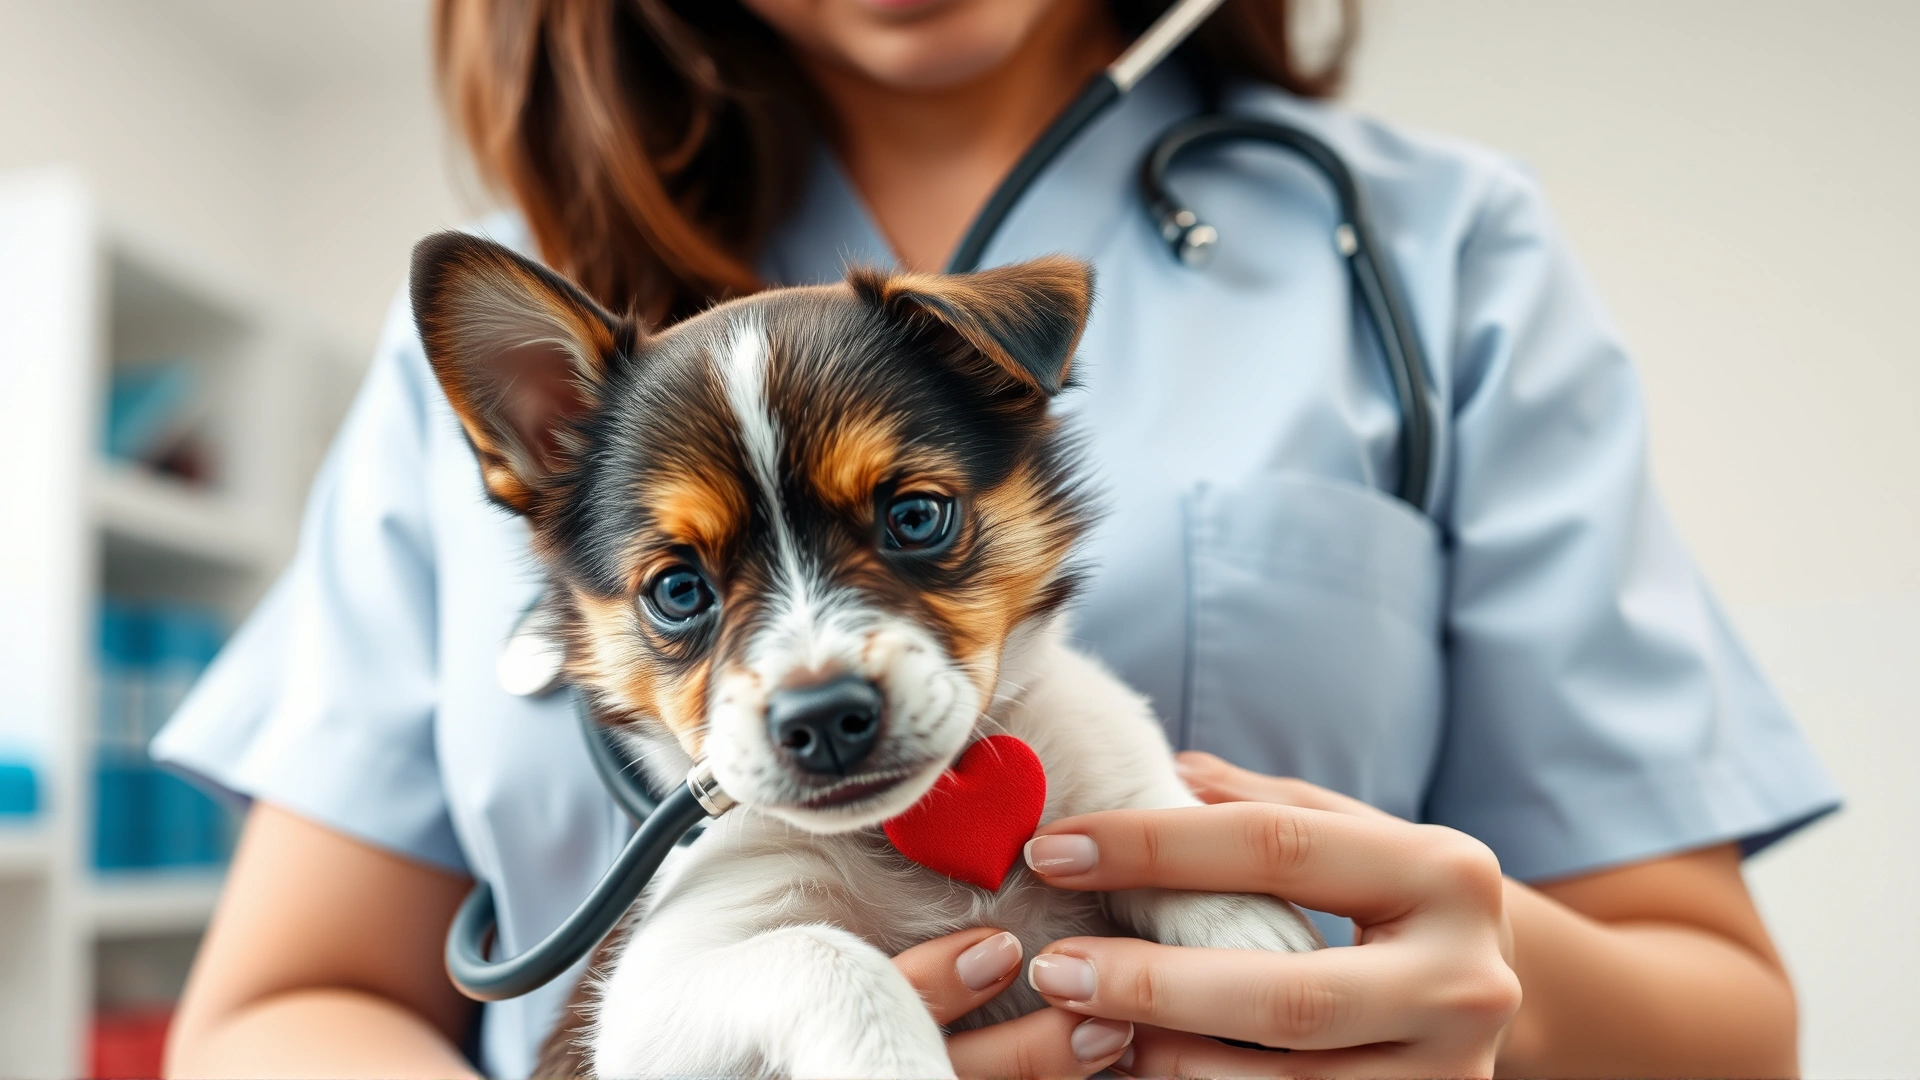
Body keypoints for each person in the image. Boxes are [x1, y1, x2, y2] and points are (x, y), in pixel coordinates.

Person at [157, 1, 1840, 1077]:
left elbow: (1731, 1028)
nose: (809, 664)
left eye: (916, 517)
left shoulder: (1437, 245)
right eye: (681, 589)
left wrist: (1500, 1007)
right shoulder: (527, 320)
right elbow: (277, 1010)